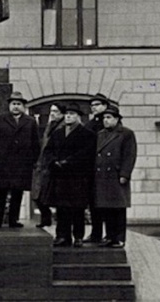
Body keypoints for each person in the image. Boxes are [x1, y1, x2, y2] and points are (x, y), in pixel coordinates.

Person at [0, 91, 39, 228]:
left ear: (23, 106)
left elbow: (35, 143)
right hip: (3, 161)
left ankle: (13, 219)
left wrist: (33, 160)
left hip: (22, 163)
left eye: (18, 104)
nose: (15, 107)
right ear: (9, 105)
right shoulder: (0, 120)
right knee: (0, 191)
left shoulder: (30, 122)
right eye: (13, 104)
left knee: (17, 191)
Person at [46, 102, 96, 247]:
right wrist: (54, 162)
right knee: (61, 208)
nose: (68, 116)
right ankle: (62, 236)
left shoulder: (87, 134)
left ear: (79, 117)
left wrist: (68, 162)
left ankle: (78, 236)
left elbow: (86, 154)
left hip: (77, 177)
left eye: (72, 114)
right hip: (60, 176)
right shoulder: (57, 133)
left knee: (77, 208)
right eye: (67, 114)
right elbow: (49, 150)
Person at [92, 105, 137, 248]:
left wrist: (125, 174)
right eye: (104, 117)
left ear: (117, 119)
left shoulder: (126, 134)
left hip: (116, 176)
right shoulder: (100, 134)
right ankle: (109, 236)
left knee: (118, 208)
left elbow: (129, 156)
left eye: (109, 117)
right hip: (102, 177)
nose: (106, 120)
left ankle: (119, 238)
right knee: (106, 208)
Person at [83, 93, 110, 243]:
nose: (94, 108)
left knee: (109, 204)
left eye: (97, 105)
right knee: (94, 203)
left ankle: (110, 235)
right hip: (92, 170)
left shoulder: (110, 124)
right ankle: (96, 233)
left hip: (107, 170)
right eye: (92, 106)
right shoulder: (89, 125)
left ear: (105, 106)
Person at [32, 103, 63, 228]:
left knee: (48, 195)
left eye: (55, 111)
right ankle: (46, 217)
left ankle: (51, 219)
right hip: (42, 163)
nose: (52, 113)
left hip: (52, 164)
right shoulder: (50, 125)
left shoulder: (62, 126)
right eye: (51, 111)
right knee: (37, 194)